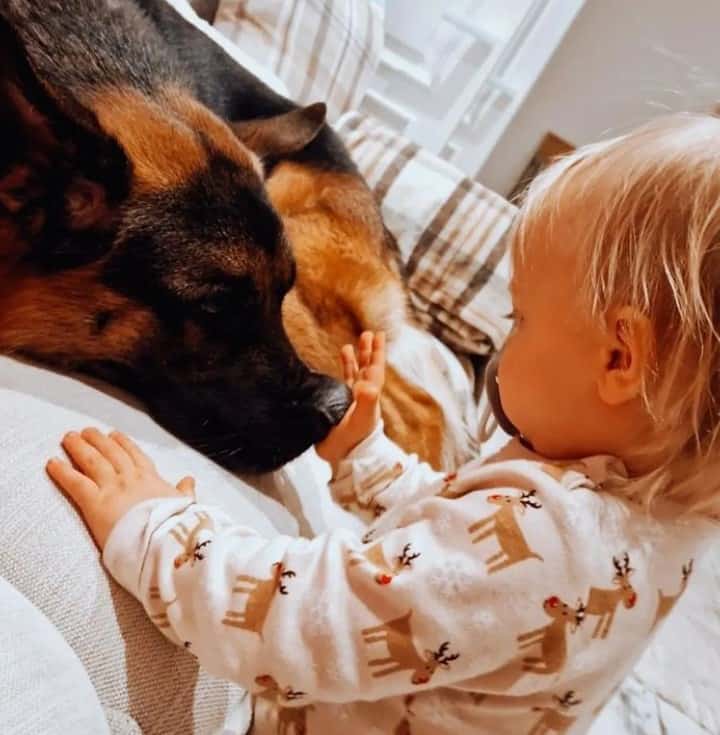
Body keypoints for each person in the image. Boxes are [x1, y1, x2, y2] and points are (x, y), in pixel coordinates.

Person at [47, 114, 720, 734]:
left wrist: (157, 529)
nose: (508, 341)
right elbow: (462, 533)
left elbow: (303, 622)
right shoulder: (651, 519)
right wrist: (368, 456)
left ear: (618, 357)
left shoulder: (553, 541)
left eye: (522, 319)